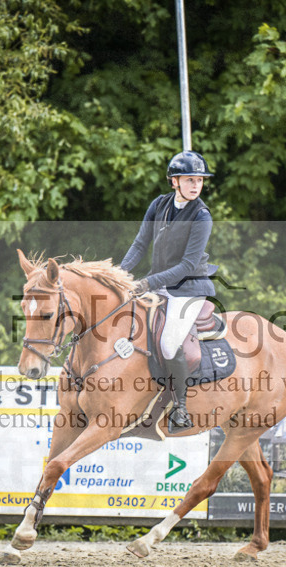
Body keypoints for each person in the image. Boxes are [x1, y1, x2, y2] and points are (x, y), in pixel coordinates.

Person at [120, 150, 217, 433]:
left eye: (199, 180)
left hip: (189, 288)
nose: (196, 185)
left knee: (167, 343)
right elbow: (140, 244)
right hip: (160, 284)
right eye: (189, 179)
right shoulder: (159, 204)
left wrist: (148, 283)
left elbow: (187, 264)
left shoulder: (201, 216)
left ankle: (181, 408)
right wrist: (120, 276)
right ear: (174, 181)